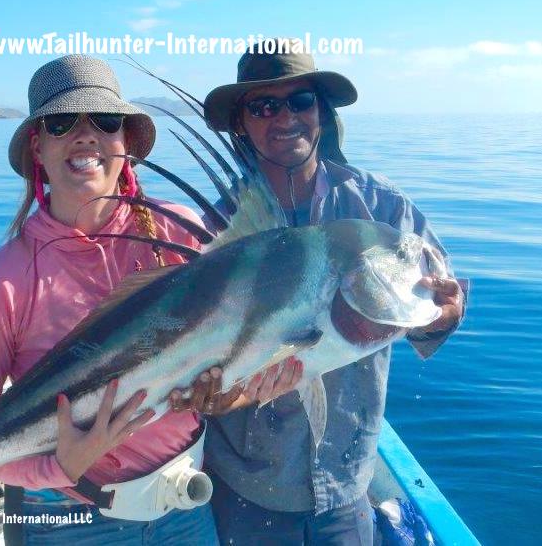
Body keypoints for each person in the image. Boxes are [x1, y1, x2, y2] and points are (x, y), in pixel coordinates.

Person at [171, 39, 466, 545]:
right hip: (244, 483)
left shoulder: (383, 207)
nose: (285, 117)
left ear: (322, 113)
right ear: (241, 124)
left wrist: (445, 315)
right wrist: (204, 397)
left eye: (301, 100)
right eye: (264, 106)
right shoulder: (217, 230)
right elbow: (193, 353)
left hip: (347, 479)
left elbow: (443, 299)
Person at [0, 54, 218, 545]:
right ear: (38, 146)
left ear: (125, 142)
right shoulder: (1, 282)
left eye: (105, 120)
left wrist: (224, 391)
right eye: (62, 122)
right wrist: (58, 467)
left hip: (188, 507)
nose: (85, 135)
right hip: (69, 524)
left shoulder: (181, 232)